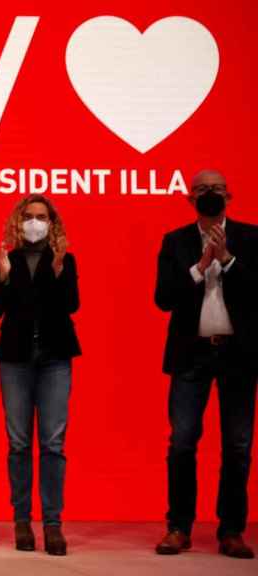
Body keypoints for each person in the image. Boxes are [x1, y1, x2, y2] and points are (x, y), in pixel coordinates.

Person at [154, 169, 257, 559]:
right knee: (181, 442)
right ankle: (178, 527)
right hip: (190, 354)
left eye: (216, 189)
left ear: (229, 196)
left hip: (239, 354)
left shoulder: (251, 237)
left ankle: (231, 531)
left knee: (238, 445)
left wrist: (227, 260)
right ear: (189, 198)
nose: (209, 195)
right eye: (201, 190)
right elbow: (163, 298)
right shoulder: (175, 241)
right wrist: (200, 265)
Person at [0, 195, 79, 556]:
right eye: (29, 217)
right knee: (19, 443)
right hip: (15, 359)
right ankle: (22, 521)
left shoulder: (64, 261)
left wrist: (57, 273)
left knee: (53, 444)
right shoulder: (7, 260)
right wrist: (5, 277)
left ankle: (53, 524)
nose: (35, 223)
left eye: (41, 217)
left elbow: (71, 305)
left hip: (55, 358)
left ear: (51, 223)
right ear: (18, 222)